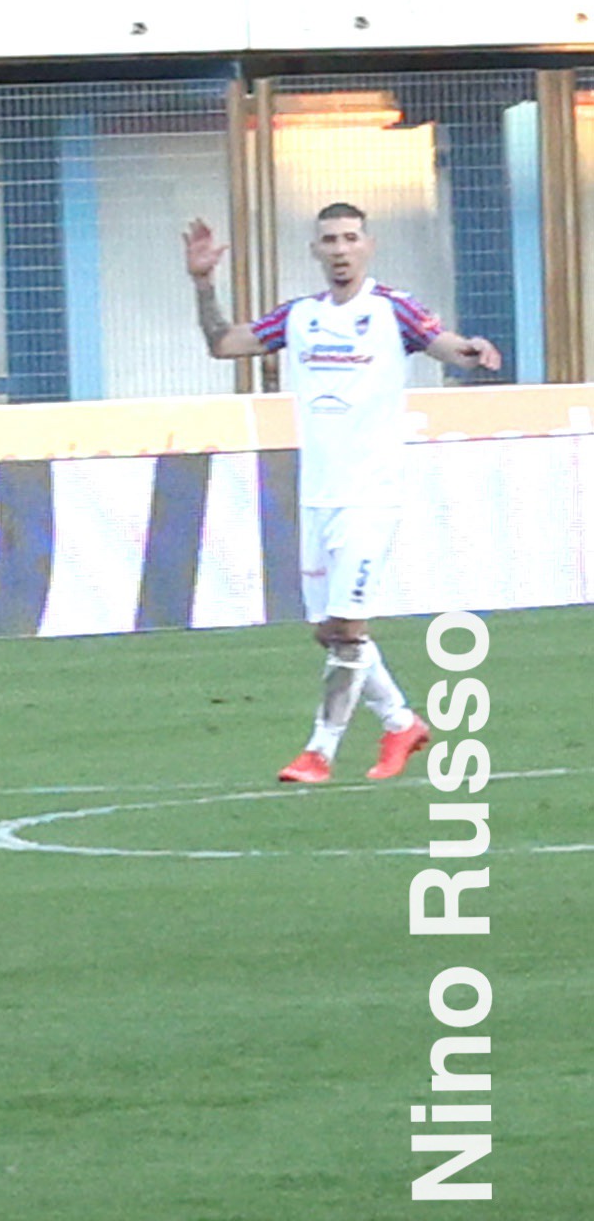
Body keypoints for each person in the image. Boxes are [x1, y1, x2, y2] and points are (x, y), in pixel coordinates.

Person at [186, 204, 502, 786]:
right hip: (318, 497)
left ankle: (319, 752)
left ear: (368, 246)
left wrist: (472, 350)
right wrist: (204, 283)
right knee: (330, 632)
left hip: (370, 495)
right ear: (315, 250)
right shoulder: (299, 317)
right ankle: (401, 722)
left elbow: (444, 345)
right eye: (329, 239)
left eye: (350, 238)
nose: (340, 249)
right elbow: (224, 344)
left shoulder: (392, 309)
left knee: (349, 629)